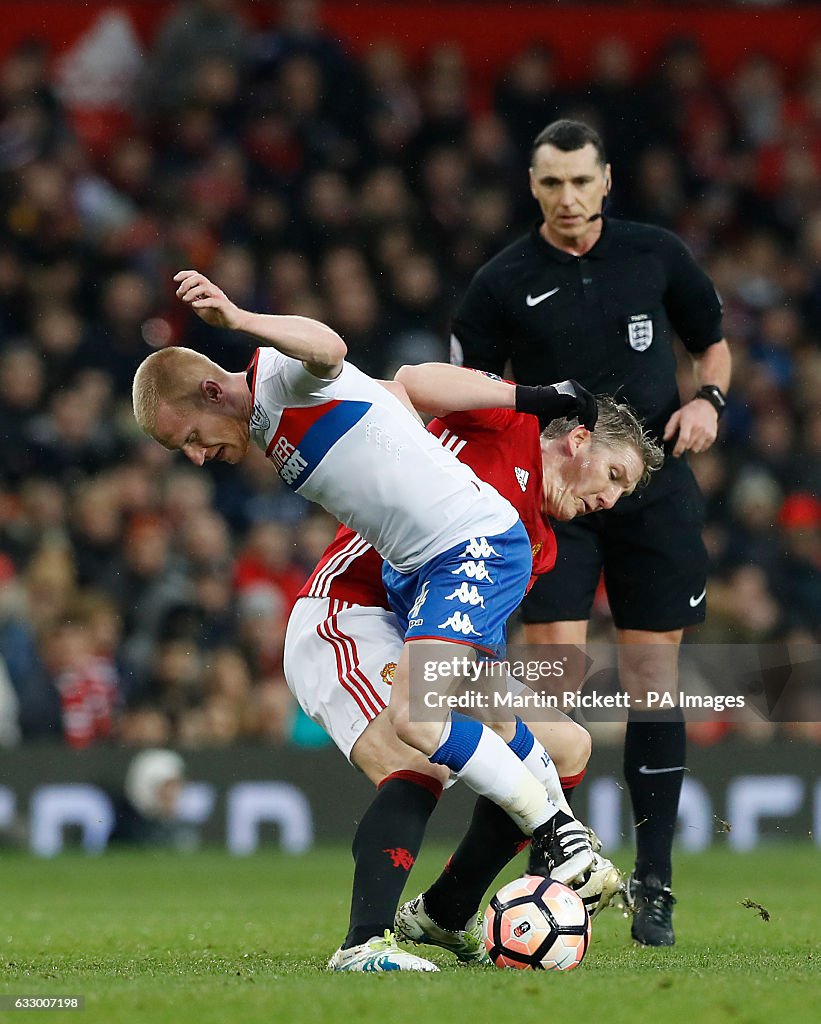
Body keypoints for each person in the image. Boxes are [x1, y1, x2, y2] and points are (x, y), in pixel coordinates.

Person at [132, 270, 606, 918]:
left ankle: (554, 837)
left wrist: (240, 318)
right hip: (421, 566)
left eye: (187, 436)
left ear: (213, 390)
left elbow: (326, 345)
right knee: (484, 717)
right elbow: (397, 396)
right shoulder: (272, 422)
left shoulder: (277, 375)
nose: (194, 455)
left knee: (419, 720)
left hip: (466, 544)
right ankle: (525, 859)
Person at [450, 119, 732, 946]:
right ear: (531, 187)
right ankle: (554, 866)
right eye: (550, 184)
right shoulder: (500, 282)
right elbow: (469, 389)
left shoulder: (657, 255)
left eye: (580, 181)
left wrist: (705, 403)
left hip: (649, 490)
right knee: (551, 689)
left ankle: (654, 884)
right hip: (555, 500)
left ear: (606, 180)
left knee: (653, 678)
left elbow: (712, 349)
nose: (567, 199)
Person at [282, 360, 661, 971]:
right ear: (578, 439)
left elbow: (472, 647)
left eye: (622, 493)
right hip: (348, 613)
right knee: (418, 750)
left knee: (565, 746)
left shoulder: (540, 544)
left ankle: (445, 913)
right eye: (614, 476)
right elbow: (408, 381)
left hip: (418, 636)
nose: (609, 500)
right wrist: (529, 392)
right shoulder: (506, 421)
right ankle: (364, 944)